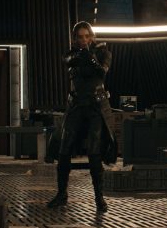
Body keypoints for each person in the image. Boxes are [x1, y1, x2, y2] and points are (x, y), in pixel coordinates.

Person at [45, 21, 117, 214]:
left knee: (94, 151)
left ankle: (99, 198)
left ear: (91, 37)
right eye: (80, 37)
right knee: (64, 149)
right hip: (76, 106)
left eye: (87, 36)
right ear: (75, 39)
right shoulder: (71, 54)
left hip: (95, 108)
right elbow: (69, 61)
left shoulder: (103, 53)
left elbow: (101, 72)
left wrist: (91, 57)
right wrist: (83, 55)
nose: (84, 39)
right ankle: (62, 194)